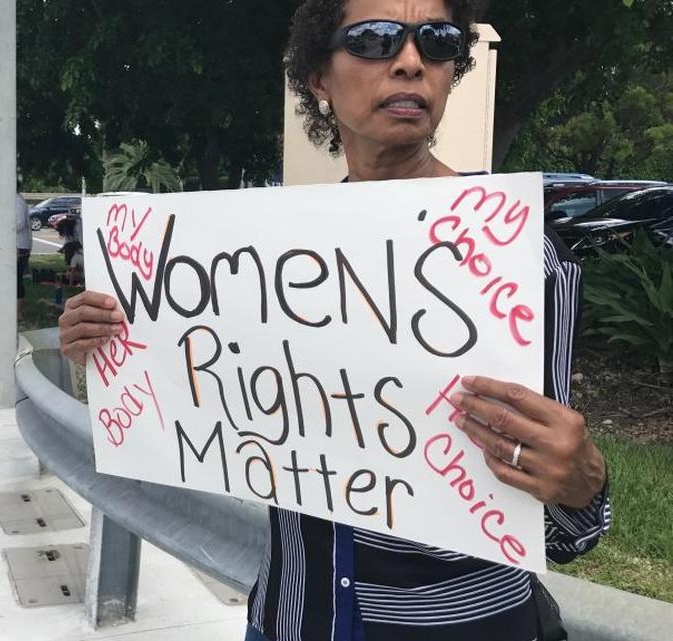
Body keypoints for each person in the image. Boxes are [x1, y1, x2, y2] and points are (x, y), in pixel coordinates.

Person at [56, 2, 611, 639]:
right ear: (318, 77)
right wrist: (111, 351)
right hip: (293, 616)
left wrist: (583, 482)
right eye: (375, 40)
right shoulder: (257, 258)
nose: (409, 62)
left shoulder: (516, 261)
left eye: (436, 41)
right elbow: (209, 400)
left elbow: (559, 524)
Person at [15, 192, 31, 317]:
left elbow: (20, 222)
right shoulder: (12, 200)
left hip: (20, 245)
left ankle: (18, 311)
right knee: (13, 277)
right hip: (15, 244)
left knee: (16, 278)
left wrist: (3, 228)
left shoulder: (18, 201)